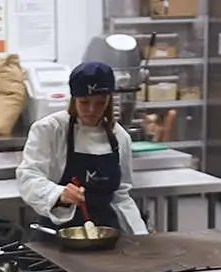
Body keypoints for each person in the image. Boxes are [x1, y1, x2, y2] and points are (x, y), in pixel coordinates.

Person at [17, 62, 148, 236]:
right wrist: (59, 193)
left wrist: (141, 236)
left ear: (109, 100)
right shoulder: (50, 129)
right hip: (59, 235)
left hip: (106, 234)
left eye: (100, 103)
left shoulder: (119, 137)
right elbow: (28, 178)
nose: (92, 110)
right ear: (73, 98)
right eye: (84, 102)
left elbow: (121, 195)